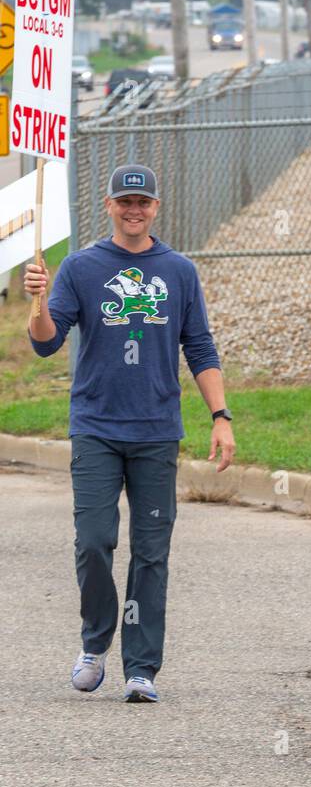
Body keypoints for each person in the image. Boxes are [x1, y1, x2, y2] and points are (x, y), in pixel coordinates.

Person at [24, 165, 235, 704]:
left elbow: (201, 348)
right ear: (110, 205)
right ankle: (94, 640)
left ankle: (141, 667)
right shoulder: (81, 267)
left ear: (156, 207)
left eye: (143, 202)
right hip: (96, 426)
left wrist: (221, 416)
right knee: (94, 541)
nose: (134, 210)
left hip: (156, 431)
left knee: (151, 552)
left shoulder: (179, 272)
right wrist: (37, 301)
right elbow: (46, 343)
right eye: (125, 201)